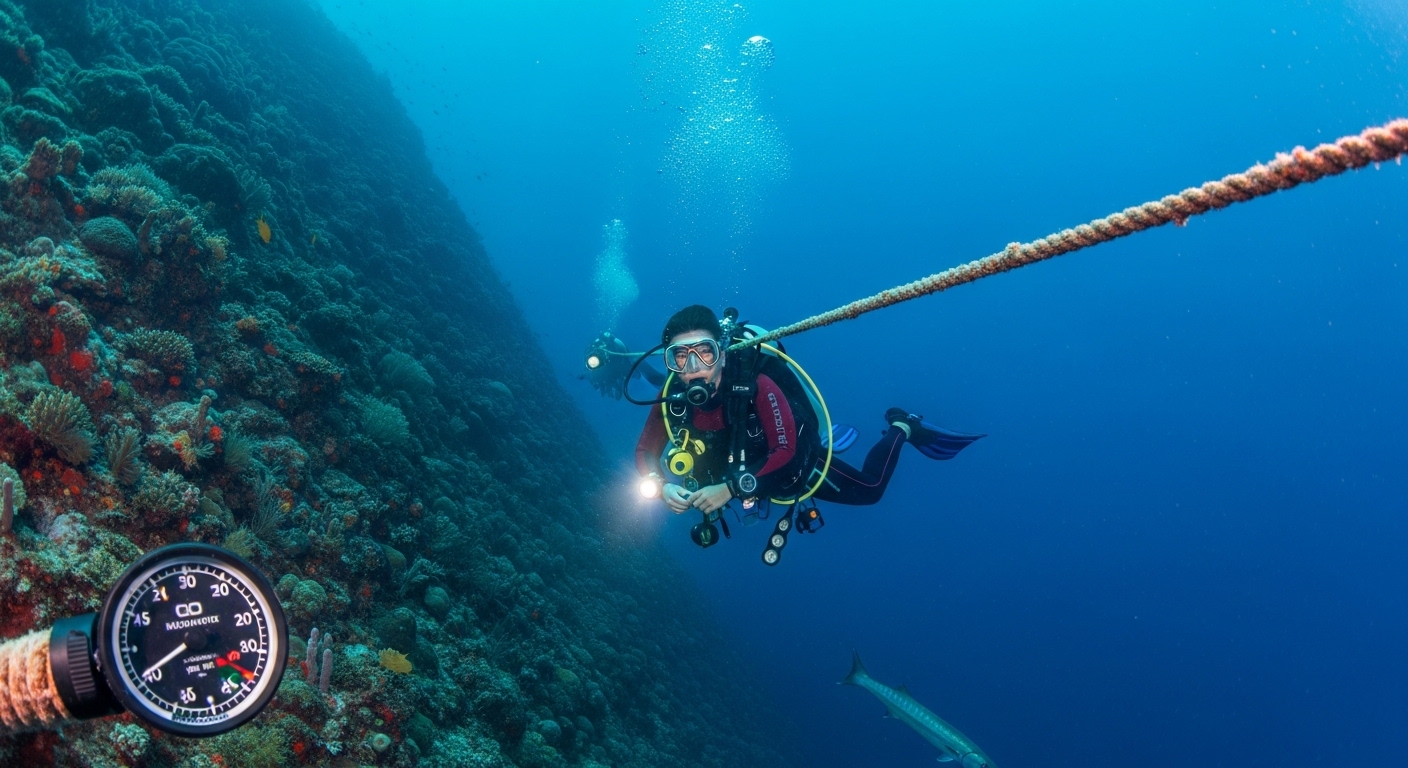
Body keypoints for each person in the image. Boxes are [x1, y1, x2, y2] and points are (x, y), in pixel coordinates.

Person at [634, 305, 983, 520]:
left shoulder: (755, 386)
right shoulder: (673, 397)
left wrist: (730, 490)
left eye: (704, 352)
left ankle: (903, 425)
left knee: (871, 489)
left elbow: (786, 451)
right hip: (740, 474)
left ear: (722, 353)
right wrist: (659, 486)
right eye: (680, 356)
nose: (693, 366)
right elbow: (644, 451)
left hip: (788, 459)